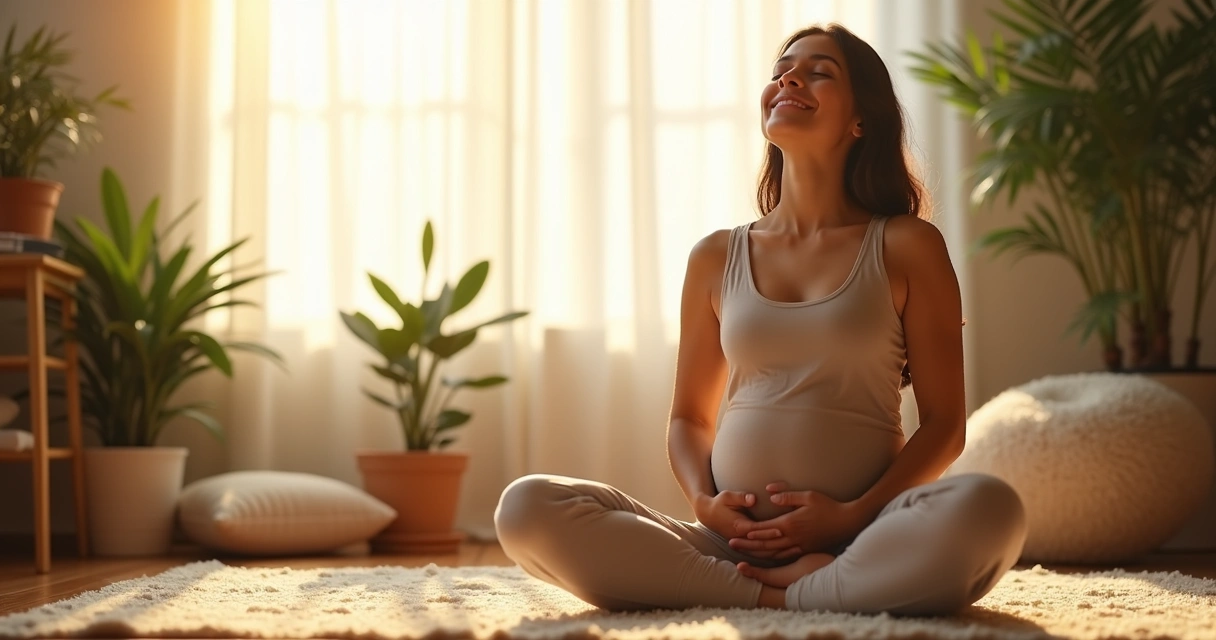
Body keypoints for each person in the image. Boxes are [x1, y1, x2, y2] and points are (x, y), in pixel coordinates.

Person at [493, 23, 1026, 615]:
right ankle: (792, 594)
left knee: (991, 507)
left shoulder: (907, 245)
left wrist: (849, 516)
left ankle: (799, 585)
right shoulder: (716, 256)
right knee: (525, 507)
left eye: (819, 72)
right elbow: (689, 419)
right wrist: (703, 503)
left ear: (861, 121)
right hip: (725, 543)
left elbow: (945, 424)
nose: (788, 78)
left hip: (865, 535)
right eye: (780, 71)